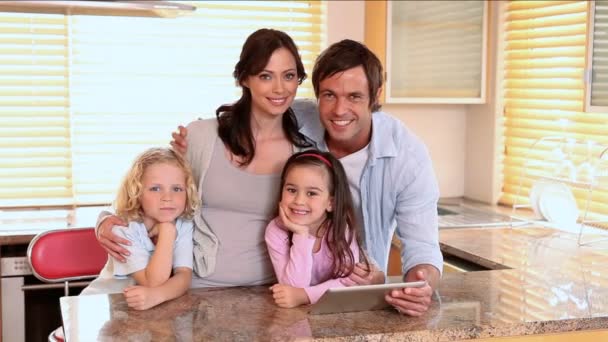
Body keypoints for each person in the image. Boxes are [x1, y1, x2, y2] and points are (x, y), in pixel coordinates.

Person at [173, 39, 443, 316]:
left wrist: (418, 286)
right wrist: (196, 139)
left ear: (375, 95)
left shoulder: (407, 157)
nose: (339, 110)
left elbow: (423, 246)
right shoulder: (299, 121)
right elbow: (257, 106)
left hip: (345, 291)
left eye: (354, 96)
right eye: (328, 95)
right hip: (282, 287)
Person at [95, 28, 313, 287]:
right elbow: (153, 192)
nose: (280, 88)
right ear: (244, 78)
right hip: (192, 287)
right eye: (266, 76)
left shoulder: (304, 152)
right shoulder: (201, 137)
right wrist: (105, 221)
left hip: (270, 292)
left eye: (289, 76)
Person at [81, 147, 199, 311]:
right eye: (155, 188)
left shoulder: (183, 223)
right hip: (102, 309)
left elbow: (184, 275)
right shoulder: (123, 228)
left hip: (147, 311)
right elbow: (153, 282)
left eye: (177, 188)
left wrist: (158, 295)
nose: (167, 197)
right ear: (136, 192)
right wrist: (167, 232)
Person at [265, 150, 368, 308]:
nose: (299, 201)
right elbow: (292, 286)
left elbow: (348, 283)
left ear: (330, 203)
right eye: (291, 190)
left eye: (311, 193)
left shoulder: (341, 230)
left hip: (335, 311)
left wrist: (304, 296)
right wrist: (301, 234)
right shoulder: (276, 231)